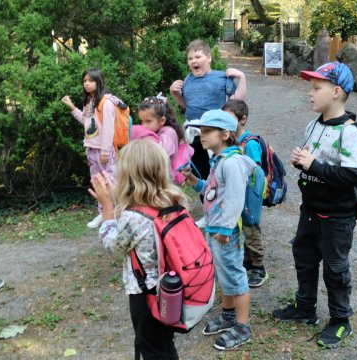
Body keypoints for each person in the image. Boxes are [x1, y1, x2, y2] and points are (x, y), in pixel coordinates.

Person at [272, 62, 357, 349]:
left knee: (335, 268)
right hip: (310, 210)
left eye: (317, 88)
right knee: (304, 257)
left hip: (337, 218)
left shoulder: (352, 133)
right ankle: (305, 309)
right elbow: (312, 163)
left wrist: (314, 163)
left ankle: (341, 320)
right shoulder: (313, 125)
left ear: (337, 92)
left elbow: (353, 175)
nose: (310, 94)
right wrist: (301, 160)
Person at [90, 140, 186, 359]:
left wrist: (107, 208)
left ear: (128, 177)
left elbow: (112, 245)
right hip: (170, 290)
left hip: (146, 296)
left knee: (151, 350)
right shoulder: (172, 202)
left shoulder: (134, 217)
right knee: (164, 345)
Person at [181, 109, 255, 351]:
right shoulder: (218, 160)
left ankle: (243, 326)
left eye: (208, 131)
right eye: (201, 131)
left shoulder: (232, 163)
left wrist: (225, 229)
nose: (202, 136)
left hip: (227, 232)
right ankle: (228, 314)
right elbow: (212, 192)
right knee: (223, 273)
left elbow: (234, 200)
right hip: (216, 228)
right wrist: (194, 180)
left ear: (225, 134)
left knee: (234, 275)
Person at [170, 39, 247, 181]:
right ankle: (206, 198)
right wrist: (175, 93)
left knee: (219, 167)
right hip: (194, 134)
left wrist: (241, 78)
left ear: (209, 58)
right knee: (201, 170)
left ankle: (222, 194)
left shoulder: (222, 78)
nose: (194, 61)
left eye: (198, 57)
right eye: (190, 58)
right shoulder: (188, 79)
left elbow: (237, 101)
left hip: (216, 132)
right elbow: (187, 104)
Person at [62, 68, 120, 229]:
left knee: (110, 182)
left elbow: (109, 129)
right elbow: (87, 123)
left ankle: (117, 213)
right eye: (84, 81)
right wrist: (72, 107)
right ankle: (104, 214)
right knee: (98, 183)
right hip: (91, 149)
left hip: (104, 151)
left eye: (90, 80)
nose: (86, 84)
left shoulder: (106, 102)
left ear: (98, 82)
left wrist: (105, 151)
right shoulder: (89, 101)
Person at [222, 100, 268, 288]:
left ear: (243, 120)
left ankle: (259, 268)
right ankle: (248, 262)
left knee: (251, 228)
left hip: (250, 194)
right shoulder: (234, 141)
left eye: (229, 118)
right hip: (238, 193)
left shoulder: (250, 143)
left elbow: (255, 170)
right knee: (243, 227)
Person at [137, 94, 186, 183]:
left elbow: (159, 154)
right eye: (141, 121)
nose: (143, 126)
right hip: (153, 180)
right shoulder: (153, 131)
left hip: (165, 182)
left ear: (162, 120)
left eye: (148, 121)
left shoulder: (169, 132)